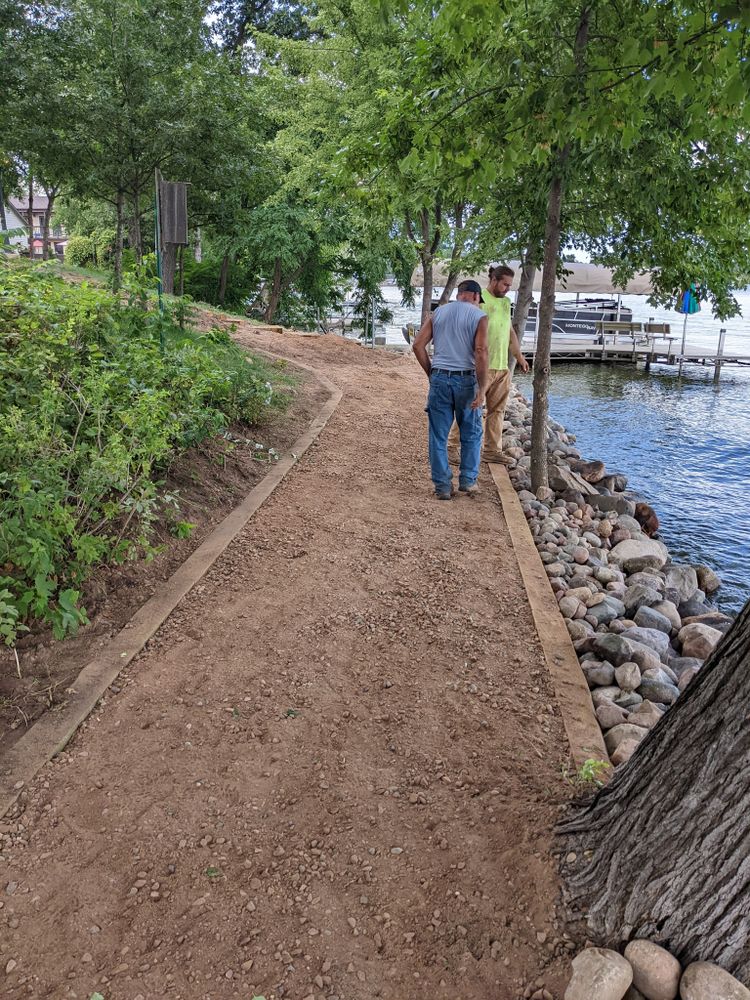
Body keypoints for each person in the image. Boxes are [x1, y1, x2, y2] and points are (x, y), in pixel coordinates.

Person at [412, 279, 489, 499]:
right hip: (466, 379)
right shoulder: (479, 317)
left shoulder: (438, 313)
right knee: (472, 432)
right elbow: (481, 350)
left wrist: (431, 373)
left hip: (440, 379)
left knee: (438, 435)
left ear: (459, 294)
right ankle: (468, 480)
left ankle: (443, 486)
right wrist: (482, 387)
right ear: (475, 296)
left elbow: (418, 345)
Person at [449, 264, 530, 464]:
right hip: (481, 365)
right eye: (505, 284)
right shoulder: (479, 299)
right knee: (470, 406)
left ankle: (492, 450)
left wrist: (519, 356)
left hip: (502, 366)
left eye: (510, 285)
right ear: (494, 280)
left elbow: (509, 331)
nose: (508, 288)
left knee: (498, 410)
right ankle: (452, 446)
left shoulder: (505, 303)